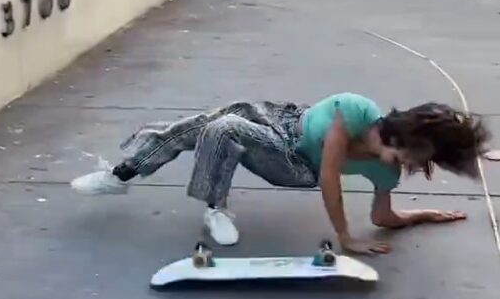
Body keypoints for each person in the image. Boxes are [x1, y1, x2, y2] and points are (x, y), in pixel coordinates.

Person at [71, 93, 488, 256]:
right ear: (398, 134)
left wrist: (423, 215)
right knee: (205, 123)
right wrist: (343, 236)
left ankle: (214, 207)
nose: (406, 167)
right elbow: (334, 172)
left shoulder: (387, 172)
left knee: (224, 129)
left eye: (416, 164)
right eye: (408, 156)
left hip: (292, 163)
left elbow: (378, 215)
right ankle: (121, 174)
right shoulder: (356, 110)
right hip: (279, 119)